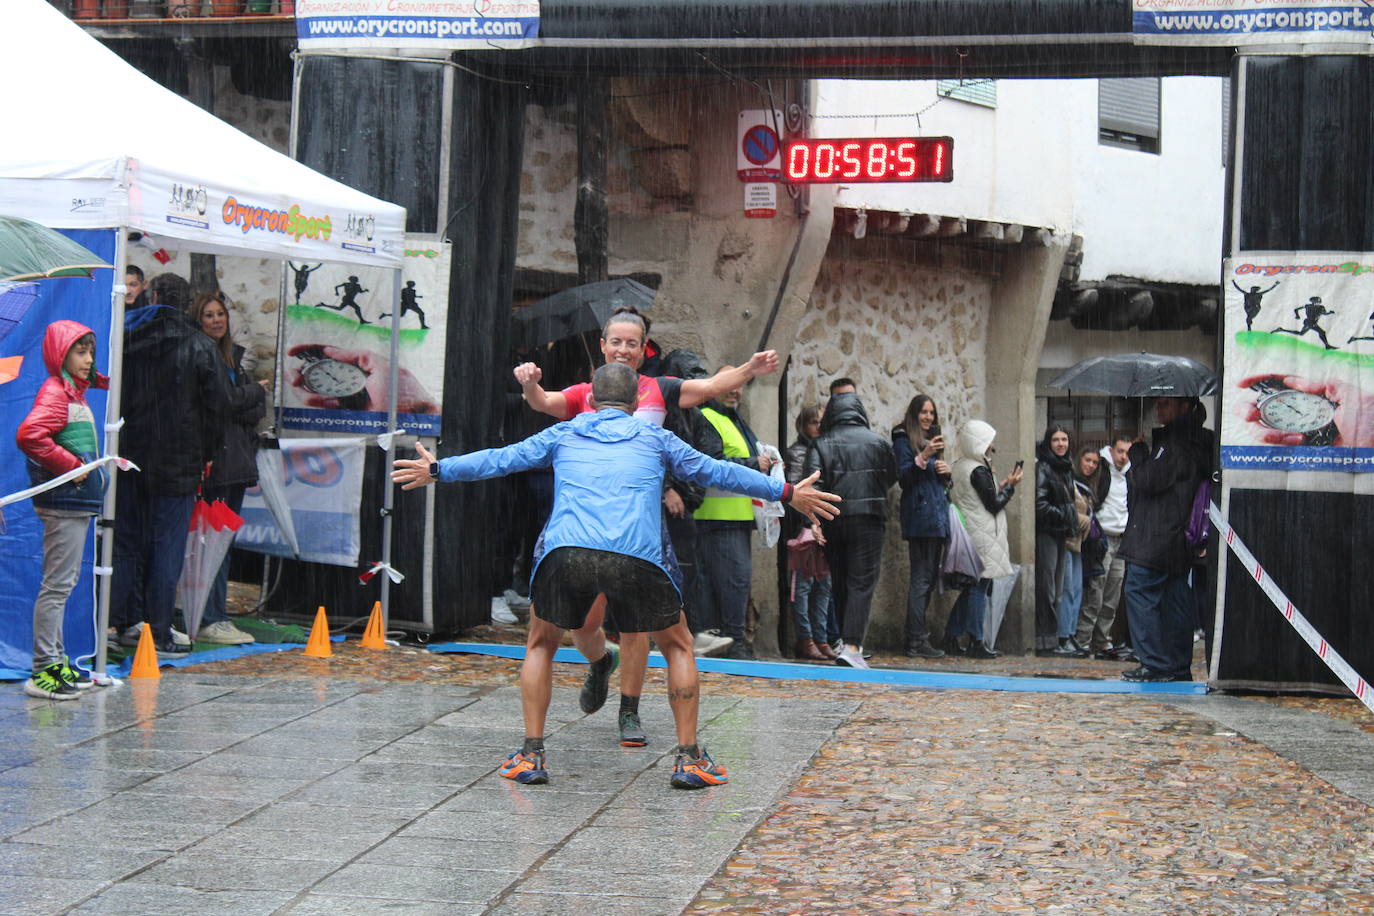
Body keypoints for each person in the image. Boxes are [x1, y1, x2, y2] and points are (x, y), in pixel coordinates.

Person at [391, 362, 840, 787]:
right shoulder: (656, 438)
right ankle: (689, 759)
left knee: (542, 643)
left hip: (566, 552)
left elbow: (501, 459)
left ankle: (530, 754)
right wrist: (785, 491)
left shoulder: (564, 433)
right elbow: (716, 470)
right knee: (679, 645)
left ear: (590, 398)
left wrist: (438, 469)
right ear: (635, 400)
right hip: (638, 557)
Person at [514, 307, 780, 746]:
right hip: (588, 522)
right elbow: (543, 404)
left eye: (631, 343)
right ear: (602, 346)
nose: (622, 349)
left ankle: (629, 711)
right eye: (615, 341)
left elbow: (712, 386)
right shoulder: (587, 393)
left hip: (641, 528)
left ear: (642, 350)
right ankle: (600, 662)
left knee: (638, 624)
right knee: (583, 625)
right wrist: (530, 384)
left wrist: (750, 368)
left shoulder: (660, 389)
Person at [111, 273, 230, 658]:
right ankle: (158, 629)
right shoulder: (200, 346)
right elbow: (217, 407)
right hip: (178, 461)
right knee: (166, 546)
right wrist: (206, 453)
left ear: (154, 294)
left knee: (125, 542)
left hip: (130, 455)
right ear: (185, 302)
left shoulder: (127, 338)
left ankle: (116, 622)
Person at [15, 322, 109, 699]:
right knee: (56, 586)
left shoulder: (73, 394)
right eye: (79, 351)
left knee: (63, 584)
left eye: (90, 351)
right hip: (63, 505)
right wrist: (73, 469)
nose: (87, 359)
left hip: (74, 504)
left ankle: (55, 659)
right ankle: (43, 669)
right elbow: (29, 435)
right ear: (60, 354)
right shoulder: (57, 393)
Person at [1118, 397, 1214, 682]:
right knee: (1175, 596)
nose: (1159, 410)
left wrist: (1138, 453)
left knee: (1139, 590)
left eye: (1166, 404)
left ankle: (1157, 664)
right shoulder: (1194, 440)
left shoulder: (1176, 442)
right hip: (1175, 536)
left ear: (1185, 406)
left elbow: (1150, 480)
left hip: (1159, 535)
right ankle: (1176, 664)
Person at [192, 292, 267, 645]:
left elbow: (247, 410)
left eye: (220, 313)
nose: (217, 320)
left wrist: (248, 397)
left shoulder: (231, 358)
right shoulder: (204, 360)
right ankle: (211, 616)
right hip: (216, 462)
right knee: (213, 543)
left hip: (234, 459)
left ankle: (213, 613)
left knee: (222, 541)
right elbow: (226, 405)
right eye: (208, 315)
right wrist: (253, 394)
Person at [805, 388, 896, 669]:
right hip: (869, 518)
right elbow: (893, 476)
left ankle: (846, 641)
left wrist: (814, 522)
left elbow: (812, 484)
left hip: (834, 519)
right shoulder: (878, 443)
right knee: (862, 582)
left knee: (842, 581)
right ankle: (853, 646)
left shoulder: (821, 444)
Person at [693, 381, 775, 660]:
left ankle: (726, 641)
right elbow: (712, 463)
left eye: (739, 386)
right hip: (719, 518)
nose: (735, 391)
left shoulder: (731, 418)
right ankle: (733, 643)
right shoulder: (710, 417)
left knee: (731, 583)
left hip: (734, 517)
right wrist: (755, 464)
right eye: (729, 385)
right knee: (733, 583)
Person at [947, 420, 1022, 659]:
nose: (992, 445)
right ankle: (976, 640)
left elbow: (975, 498)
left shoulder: (960, 465)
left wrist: (1001, 485)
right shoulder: (978, 469)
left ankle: (951, 635)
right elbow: (993, 504)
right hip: (982, 534)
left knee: (972, 588)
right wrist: (1011, 488)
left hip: (972, 531)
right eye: (988, 441)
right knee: (979, 587)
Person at [891, 394, 950, 659]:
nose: (928, 417)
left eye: (932, 413)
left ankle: (919, 637)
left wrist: (947, 476)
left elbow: (937, 484)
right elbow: (903, 477)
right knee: (921, 579)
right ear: (914, 414)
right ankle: (914, 640)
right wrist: (923, 457)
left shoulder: (932, 440)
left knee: (927, 581)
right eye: (924, 412)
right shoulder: (903, 439)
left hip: (935, 516)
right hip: (920, 517)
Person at [785, 405, 834, 661]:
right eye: (813, 422)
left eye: (821, 422)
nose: (818, 427)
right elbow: (796, 493)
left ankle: (822, 638)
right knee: (803, 587)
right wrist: (810, 524)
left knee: (824, 586)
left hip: (823, 529)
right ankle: (805, 638)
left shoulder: (827, 450)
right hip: (804, 530)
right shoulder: (796, 453)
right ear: (803, 425)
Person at [1084, 437, 1131, 659]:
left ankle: (1102, 641)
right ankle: (1084, 640)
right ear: (1111, 451)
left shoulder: (1130, 474)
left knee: (1112, 595)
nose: (1123, 457)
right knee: (1095, 591)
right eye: (1119, 451)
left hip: (1121, 539)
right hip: (1102, 538)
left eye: (1127, 452)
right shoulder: (1102, 469)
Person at [1034, 425, 1078, 657]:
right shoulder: (1044, 467)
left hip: (1061, 533)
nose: (1061, 444)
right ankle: (1045, 641)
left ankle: (1053, 639)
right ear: (1048, 443)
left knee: (1059, 589)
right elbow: (1040, 503)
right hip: (1048, 532)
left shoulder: (1066, 468)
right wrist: (1063, 514)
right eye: (1056, 440)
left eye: (1064, 439)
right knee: (1047, 588)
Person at [1054, 446, 1097, 659]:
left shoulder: (1080, 485)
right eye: (1087, 460)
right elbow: (1067, 509)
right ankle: (1063, 636)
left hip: (1078, 541)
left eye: (1095, 462)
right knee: (1067, 590)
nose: (1090, 465)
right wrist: (1084, 520)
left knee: (1077, 590)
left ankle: (1070, 635)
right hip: (1067, 539)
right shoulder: (1066, 482)